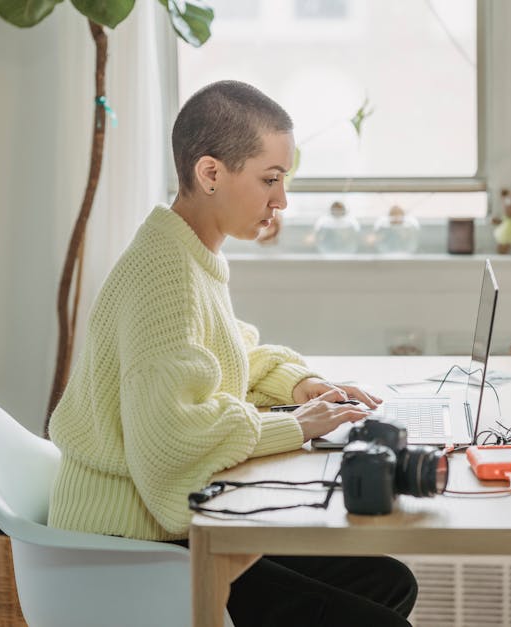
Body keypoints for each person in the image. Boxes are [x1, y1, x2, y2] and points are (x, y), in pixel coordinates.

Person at [47, 80, 418, 626]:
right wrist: (295, 427)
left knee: (388, 582)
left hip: (161, 528)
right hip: (126, 546)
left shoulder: (186, 250)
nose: (281, 201)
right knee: (377, 610)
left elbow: (224, 359)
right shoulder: (164, 277)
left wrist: (298, 388)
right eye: (270, 179)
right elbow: (172, 439)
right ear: (211, 173)